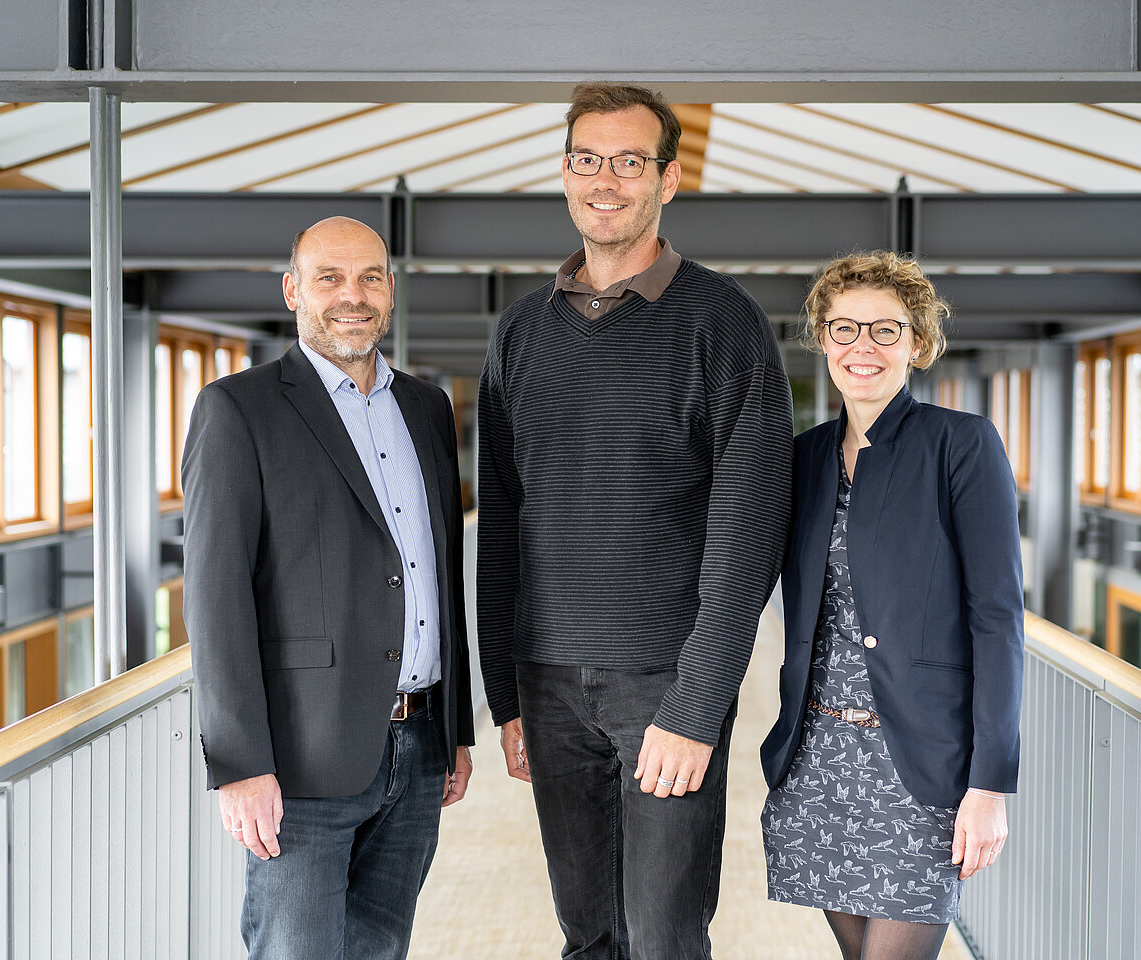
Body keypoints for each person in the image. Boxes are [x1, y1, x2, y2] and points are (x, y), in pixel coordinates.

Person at [477, 82, 793, 959]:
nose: (604, 180)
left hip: (666, 679)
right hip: (547, 683)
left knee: (663, 936)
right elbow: (501, 518)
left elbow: (751, 528)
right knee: (586, 933)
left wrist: (698, 704)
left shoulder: (724, 324)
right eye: (586, 159)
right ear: (565, 172)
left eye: (628, 161)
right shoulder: (518, 333)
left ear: (669, 178)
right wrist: (505, 693)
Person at [182, 216, 474, 960]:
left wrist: (455, 727)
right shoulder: (238, 409)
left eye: (370, 277)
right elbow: (216, 601)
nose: (354, 295)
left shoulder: (426, 407)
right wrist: (240, 764)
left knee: (381, 948)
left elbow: (436, 567)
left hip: (418, 745)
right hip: (301, 757)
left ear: (391, 290)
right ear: (293, 291)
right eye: (330, 278)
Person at [760, 251, 1023, 960]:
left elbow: (998, 620)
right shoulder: (801, 457)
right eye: (844, 329)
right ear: (821, 339)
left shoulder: (961, 446)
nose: (862, 347)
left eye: (885, 329)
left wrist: (989, 785)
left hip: (921, 768)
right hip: (817, 761)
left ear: (917, 342)